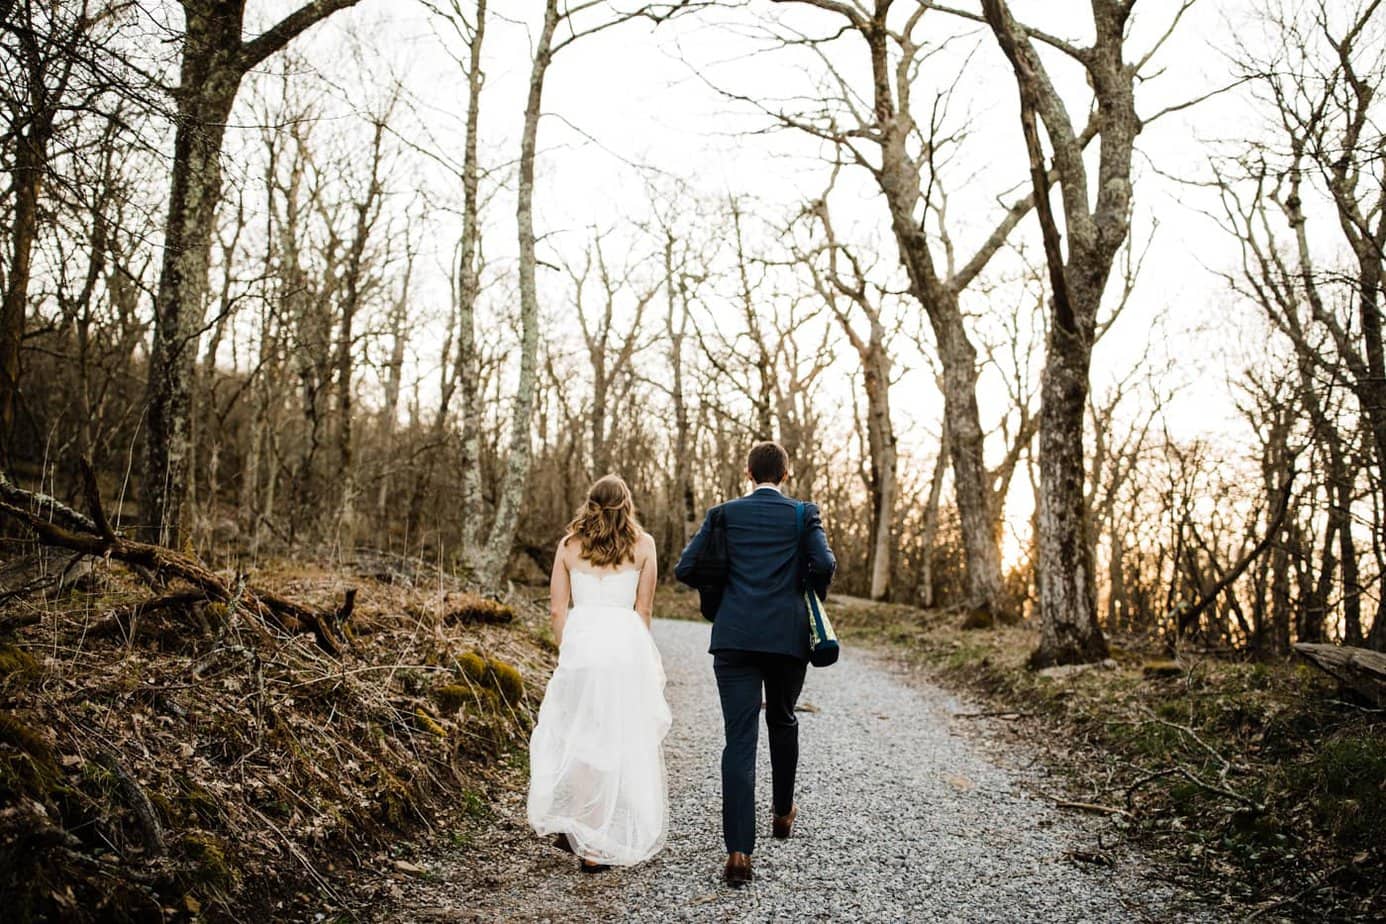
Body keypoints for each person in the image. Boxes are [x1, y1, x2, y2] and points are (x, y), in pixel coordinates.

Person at [675, 441, 837, 885]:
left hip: (735, 637)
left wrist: (723, 590)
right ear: (785, 474)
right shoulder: (804, 514)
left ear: (748, 473)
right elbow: (824, 562)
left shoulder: (723, 514)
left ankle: (739, 853)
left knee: (739, 739)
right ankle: (783, 812)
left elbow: (686, 568)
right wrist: (803, 589)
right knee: (783, 719)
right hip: (787, 637)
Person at [527, 474, 671, 872]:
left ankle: (581, 826)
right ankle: (595, 844)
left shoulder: (569, 546)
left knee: (578, 734)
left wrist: (568, 648)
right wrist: (643, 657)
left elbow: (558, 610)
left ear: (589, 503)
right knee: (617, 737)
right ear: (627, 504)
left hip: (583, 645)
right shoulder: (644, 546)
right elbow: (643, 610)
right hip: (625, 649)